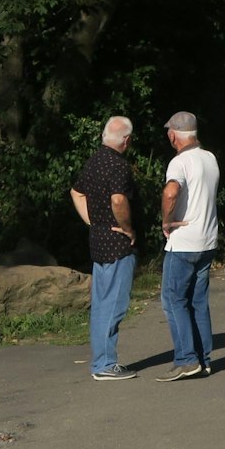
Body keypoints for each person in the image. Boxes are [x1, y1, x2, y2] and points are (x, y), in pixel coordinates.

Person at [70, 115, 139, 381]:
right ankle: (105, 363)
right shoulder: (118, 165)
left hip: (98, 241)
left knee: (100, 304)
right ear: (127, 140)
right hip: (117, 244)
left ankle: (102, 361)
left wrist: (92, 221)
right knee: (114, 305)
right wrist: (128, 227)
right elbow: (119, 199)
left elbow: (76, 192)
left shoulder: (94, 161)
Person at [156, 110, 221, 381]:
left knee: (173, 300)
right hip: (208, 240)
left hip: (184, 242)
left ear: (173, 135)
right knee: (197, 301)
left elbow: (171, 192)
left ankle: (185, 359)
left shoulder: (179, 162)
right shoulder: (210, 158)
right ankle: (204, 359)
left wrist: (166, 221)